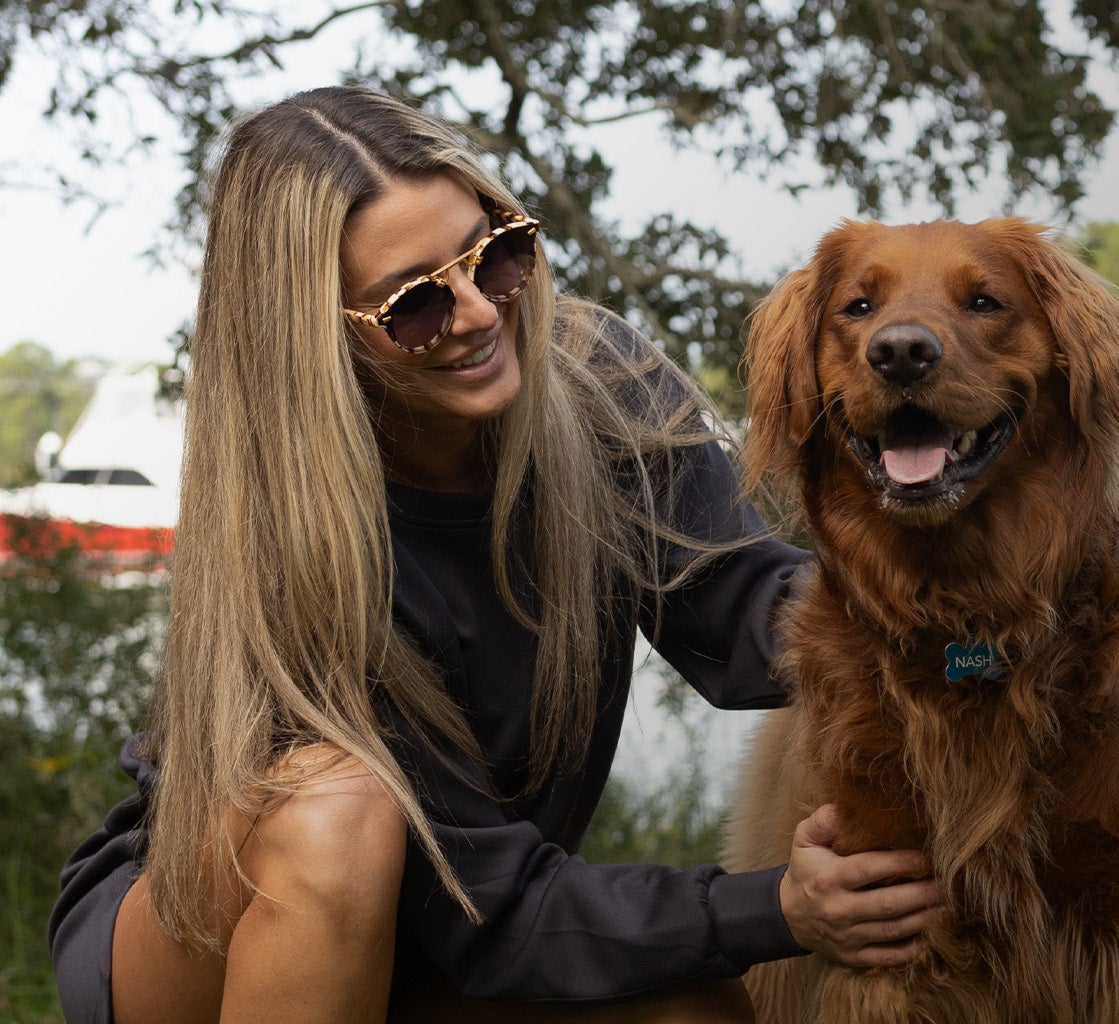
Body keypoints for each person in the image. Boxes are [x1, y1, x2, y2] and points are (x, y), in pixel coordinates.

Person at [47, 85, 943, 1024]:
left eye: (497, 252)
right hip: (212, 934)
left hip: (439, 929)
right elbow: (496, 910)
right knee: (337, 815)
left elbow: (756, 618)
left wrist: (976, 609)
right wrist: (781, 905)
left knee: (697, 1008)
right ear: (316, 340)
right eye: (415, 305)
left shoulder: (600, 385)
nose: (478, 312)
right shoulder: (310, 554)